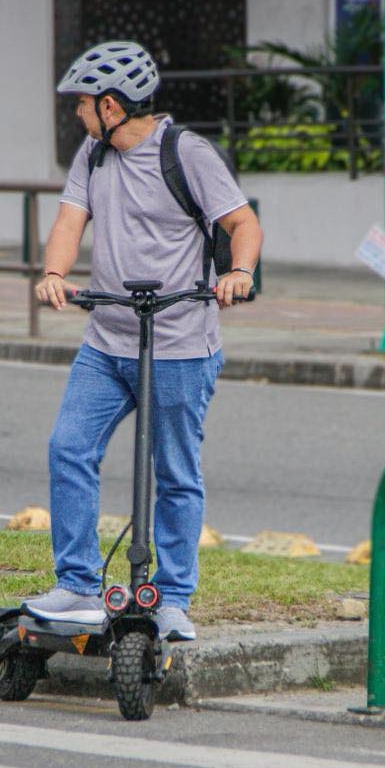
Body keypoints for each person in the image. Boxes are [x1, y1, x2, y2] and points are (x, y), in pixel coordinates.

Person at [22, 41, 263, 641]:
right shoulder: (93, 154)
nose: (76, 114)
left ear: (111, 105)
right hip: (107, 340)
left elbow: (243, 223)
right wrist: (54, 272)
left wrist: (239, 272)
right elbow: (69, 222)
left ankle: (173, 598)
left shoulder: (189, 154)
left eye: (82, 104)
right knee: (68, 447)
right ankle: (78, 585)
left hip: (180, 342)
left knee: (175, 473)